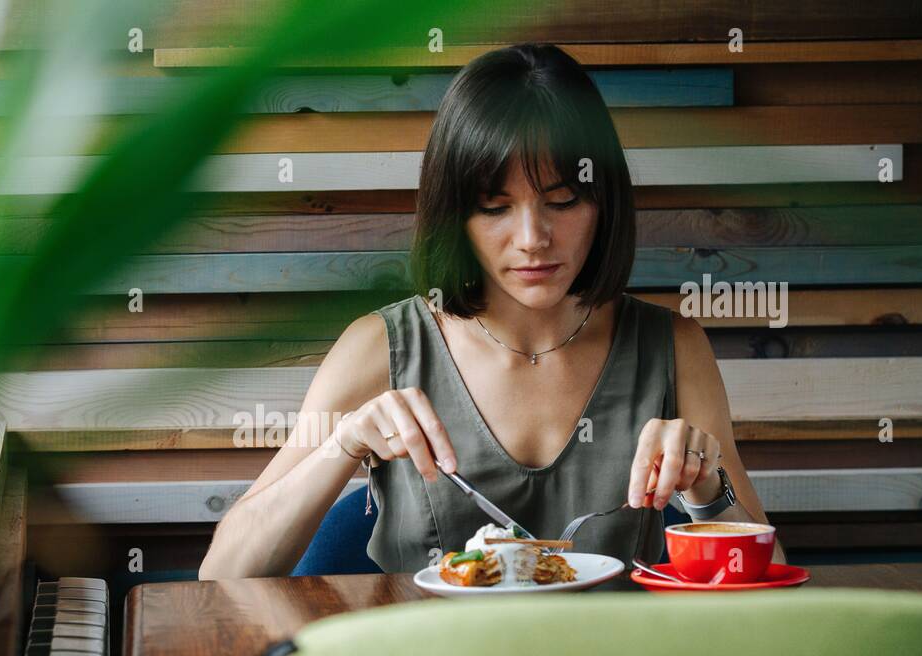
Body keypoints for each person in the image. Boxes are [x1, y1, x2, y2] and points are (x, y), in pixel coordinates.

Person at [200, 43, 783, 580]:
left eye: (562, 201)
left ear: (604, 201)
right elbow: (222, 573)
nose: (533, 238)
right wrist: (342, 444)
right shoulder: (381, 346)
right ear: (455, 217)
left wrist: (709, 492)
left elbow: (771, 579)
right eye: (494, 207)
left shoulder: (672, 347)